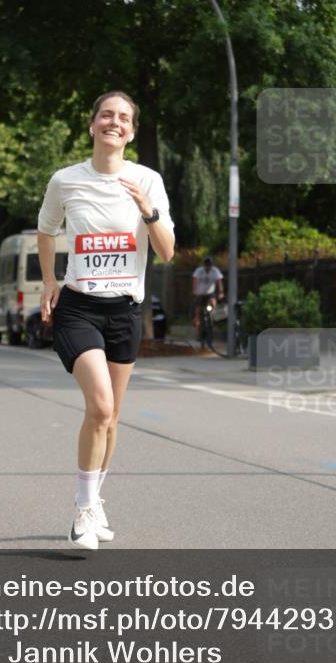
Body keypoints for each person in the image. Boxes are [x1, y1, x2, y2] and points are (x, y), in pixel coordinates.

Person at [38, 91, 175, 550]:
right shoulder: (65, 181)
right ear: (93, 124)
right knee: (99, 405)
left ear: (132, 131)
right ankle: (81, 511)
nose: (113, 123)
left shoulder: (148, 180)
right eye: (106, 115)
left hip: (124, 310)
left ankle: (95, 500)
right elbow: (46, 228)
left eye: (123, 118)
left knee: (113, 417)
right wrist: (48, 279)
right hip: (79, 307)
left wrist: (147, 212)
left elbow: (167, 251)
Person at [192, 256, 225, 328]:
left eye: (209, 265)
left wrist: (221, 292)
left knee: (213, 302)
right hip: (200, 293)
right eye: (206, 265)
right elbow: (195, 281)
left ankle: (214, 318)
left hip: (210, 293)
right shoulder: (199, 271)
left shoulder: (215, 271)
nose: (208, 267)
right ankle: (197, 319)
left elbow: (219, 282)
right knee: (198, 307)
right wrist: (196, 291)